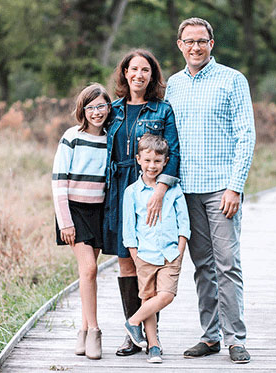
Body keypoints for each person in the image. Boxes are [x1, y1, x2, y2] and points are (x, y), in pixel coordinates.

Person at [165, 17, 256, 364]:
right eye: (189, 41)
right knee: (202, 265)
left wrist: (235, 187)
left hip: (221, 190)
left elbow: (245, 135)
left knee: (227, 264)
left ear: (211, 44)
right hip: (186, 191)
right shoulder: (173, 85)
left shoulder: (232, 80)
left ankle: (235, 338)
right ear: (180, 45)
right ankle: (210, 336)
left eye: (201, 41)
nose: (195, 47)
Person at [102, 49, 180, 356]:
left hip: (149, 193)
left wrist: (160, 190)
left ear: (152, 75)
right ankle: (131, 334)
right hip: (118, 191)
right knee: (126, 261)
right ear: (124, 73)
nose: (138, 75)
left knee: (149, 263)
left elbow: (173, 154)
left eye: (145, 70)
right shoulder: (114, 109)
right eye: (133, 69)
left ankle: (150, 332)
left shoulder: (163, 110)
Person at [52, 83, 111, 360]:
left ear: (108, 108)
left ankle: (83, 330)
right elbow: (58, 182)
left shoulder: (110, 138)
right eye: (91, 107)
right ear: (82, 110)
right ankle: (96, 331)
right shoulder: (71, 137)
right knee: (88, 269)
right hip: (74, 211)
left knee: (90, 272)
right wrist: (65, 221)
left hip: (98, 210)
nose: (97, 112)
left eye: (101, 106)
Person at [122, 133, 190, 364]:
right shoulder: (131, 192)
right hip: (145, 255)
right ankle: (153, 347)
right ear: (138, 159)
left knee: (166, 295)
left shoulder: (174, 190)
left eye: (157, 161)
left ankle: (132, 322)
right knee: (148, 297)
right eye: (148, 160)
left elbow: (184, 225)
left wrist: (180, 252)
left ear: (165, 162)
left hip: (170, 253)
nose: (152, 166)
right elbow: (129, 231)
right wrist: (136, 256)